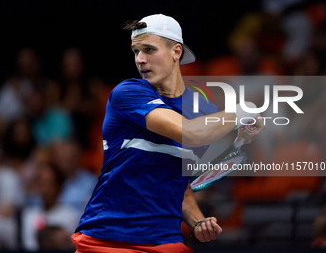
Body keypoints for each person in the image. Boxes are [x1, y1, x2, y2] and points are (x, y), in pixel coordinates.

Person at [71, 14, 264, 253]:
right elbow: (192, 134)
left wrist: (197, 220)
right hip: (107, 240)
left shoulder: (202, 110)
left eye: (149, 50)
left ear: (176, 52)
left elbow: (178, 180)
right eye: (135, 51)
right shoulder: (128, 93)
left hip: (166, 241)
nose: (140, 59)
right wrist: (242, 111)